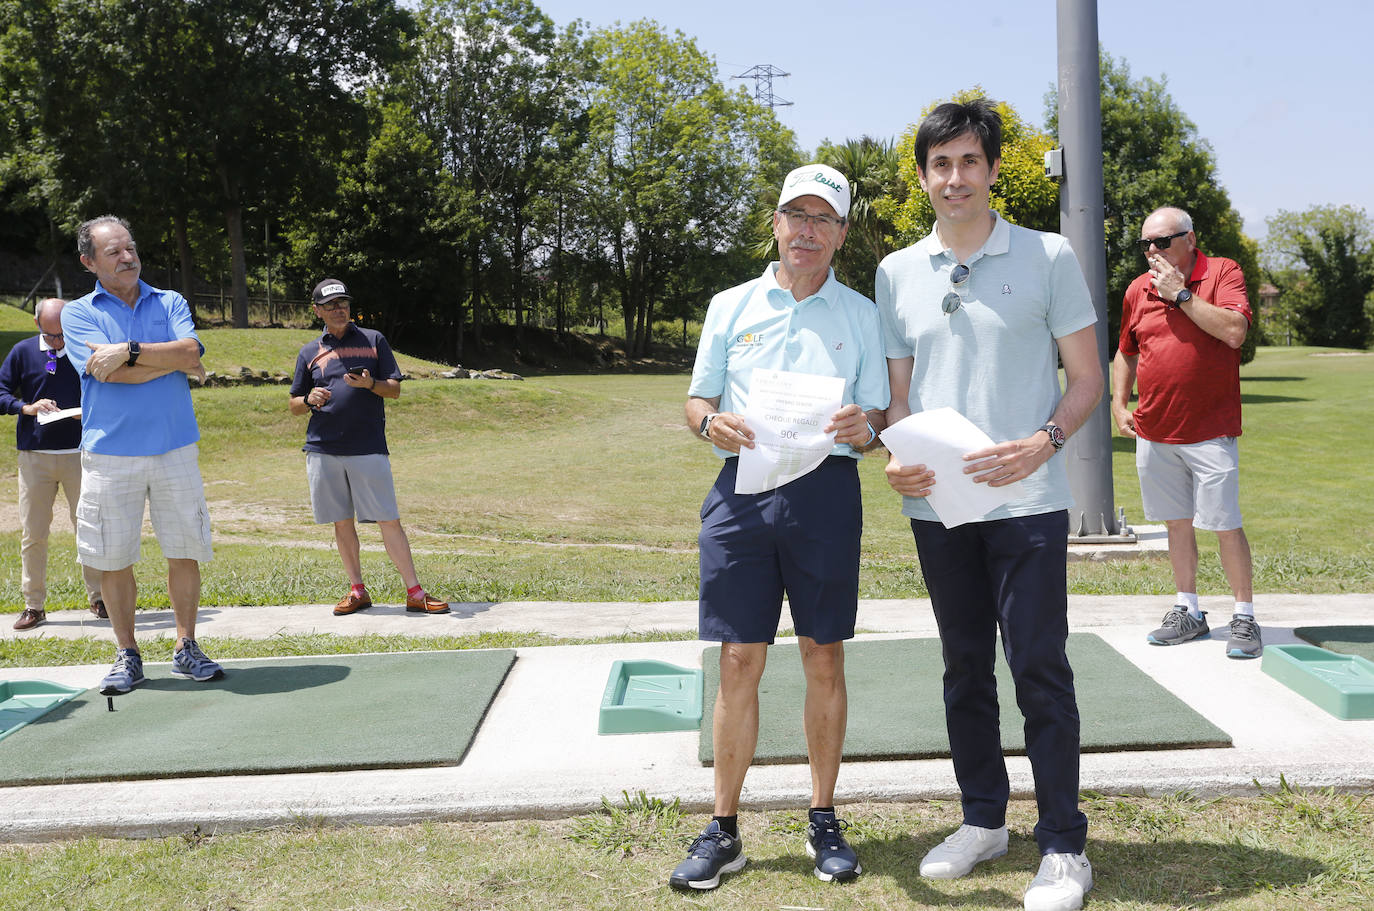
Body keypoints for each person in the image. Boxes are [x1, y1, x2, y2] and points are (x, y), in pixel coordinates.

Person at [874, 100, 1103, 911]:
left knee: (1039, 668)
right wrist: (893, 456)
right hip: (940, 509)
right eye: (941, 164)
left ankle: (1064, 845)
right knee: (964, 667)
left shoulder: (1047, 256)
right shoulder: (897, 272)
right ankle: (982, 820)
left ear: (995, 168)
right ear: (925, 176)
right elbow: (895, 404)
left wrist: (1042, 441)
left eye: (970, 161)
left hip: (1030, 501)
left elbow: (1087, 379)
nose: (956, 177)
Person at [672, 164, 889, 891]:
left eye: (823, 218)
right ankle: (724, 827)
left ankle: (823, 816)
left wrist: (869, 426)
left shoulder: (861, 313)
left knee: (823, 656)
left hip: (825, 492)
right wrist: (712, 422)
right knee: (738, 658)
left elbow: (878, 420)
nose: (807, 229)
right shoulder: (732, 305)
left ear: (841, 234)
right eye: (796, 214)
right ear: (774, 223)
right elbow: (697, 400)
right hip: (741, 490)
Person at [61, 215, 223, 695]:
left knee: (185, 549)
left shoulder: (169, 300)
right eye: (113, 252)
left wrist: (129, 350)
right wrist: (168, 361)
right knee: (112, 557)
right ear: (90, 262)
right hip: (110, 455)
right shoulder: (77, 313)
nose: (127, 257)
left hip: (175, 447)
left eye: (130, 248)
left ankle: (186, 646)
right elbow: (111, 375)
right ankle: (127, 653)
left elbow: (192, 354)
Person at [1112, 207, 1260, 659]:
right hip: (1155, 431)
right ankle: (1188, 610)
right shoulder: (1138, 289)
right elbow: (1126, 351)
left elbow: (1235, 332)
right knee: (1176, 524)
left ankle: (1245, 616)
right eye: (1145, 245)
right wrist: (1120, 402)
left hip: (1210, 431)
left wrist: (1179, 295)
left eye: (1161, 242)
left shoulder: (1222, 272)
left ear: (1190, 239)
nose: (1151, 252)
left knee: (1224, 525)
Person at [288, 278, 448, 617]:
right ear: (317, 311)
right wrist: (308, 398)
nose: (338, 309)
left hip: (368, 447)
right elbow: (293, 404)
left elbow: (394, 389)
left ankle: (415, 593)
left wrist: (369, 383)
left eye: (343, 303)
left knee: (388, 519)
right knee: (341, 522)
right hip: (323, 448)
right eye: (330, 305)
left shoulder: (374, 340)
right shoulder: (308, 352)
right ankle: (357, 591)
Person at [0, 298, 105, 629]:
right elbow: (1, 392)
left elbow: (107, 387)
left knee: (88, 528)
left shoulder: (83, 348)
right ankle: (34, 605)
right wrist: (26, 407)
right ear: (37, 325)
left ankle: (100, 598)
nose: (59, 341)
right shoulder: (22, 352)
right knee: (33, 533)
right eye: (52, 335)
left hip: (79, 454)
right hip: (35, 457)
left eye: (63, 333)